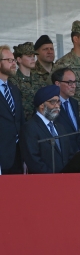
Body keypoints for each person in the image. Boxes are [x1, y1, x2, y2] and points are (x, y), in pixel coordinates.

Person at [20, 85, 73, 173]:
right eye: (53, 102)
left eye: (58, 102)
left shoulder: (60, 127)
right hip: (44, 181)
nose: (57, 106)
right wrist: (52, 177)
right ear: (42, 105)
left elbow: (69, 153)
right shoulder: (30, 127)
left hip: (65, 179)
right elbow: (33, 160)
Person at [0, 45, 25, 174]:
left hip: (17, 156)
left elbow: (20, 121)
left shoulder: (14, 89)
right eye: (9, 60)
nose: (14, 63)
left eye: (14, 60)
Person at [53, 67, 80, 154]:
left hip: (77, 153)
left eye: (74, 82)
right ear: (57, 83)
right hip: (62, 154)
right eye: (69, 82)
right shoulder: (51, 105)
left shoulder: (74, 103)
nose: (74, 86)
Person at [9, 42, 42, 120]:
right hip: (23, 124)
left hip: (38, 123)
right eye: (29, 56)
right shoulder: (13, 81)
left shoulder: (38, 79)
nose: (33, 58)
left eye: (34, 56)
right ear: (19, 59)